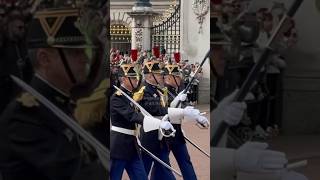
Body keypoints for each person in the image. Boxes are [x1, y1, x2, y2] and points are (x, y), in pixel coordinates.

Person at [0, 4, 107, 180]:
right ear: (45, 59)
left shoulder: (60, 102)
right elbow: (77, 174)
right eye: (75, 53)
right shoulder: (24, 118)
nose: (86, 58)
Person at [135, 60, 205, 179]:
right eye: (158, 74)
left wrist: (191, 113)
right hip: (150, 136)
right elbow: (157, 110)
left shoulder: (159, 91)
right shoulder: (144, 92)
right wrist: (179, 107)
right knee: (145, 169)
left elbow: (167, 110)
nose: (161, 76)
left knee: (163, 168)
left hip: (162, 136)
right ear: (150, 76)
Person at [109, 63, 175, 180]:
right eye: (133, 78)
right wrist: (158, 123)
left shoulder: (132, 96)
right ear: (124, 79)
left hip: (132, 145)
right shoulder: (116, 98)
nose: (136, 80)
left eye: (136, 77)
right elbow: (133, 116)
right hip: (119, 145)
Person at [163, 63, 209, 180]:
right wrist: (176, 102)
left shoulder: (177, 91)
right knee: (162, 164)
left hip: (177, 131)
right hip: (165, 132)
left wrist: (197, 116)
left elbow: (186, 108)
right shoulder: (162, 92)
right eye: (176, 76)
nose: (179, 78)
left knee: (185, 160)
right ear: (168, 78)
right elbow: (162, 111)